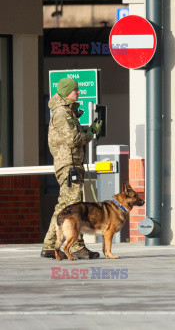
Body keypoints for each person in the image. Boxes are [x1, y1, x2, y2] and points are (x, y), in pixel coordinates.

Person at [41, 78, 102, 259]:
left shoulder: (67, 112)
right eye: (75, 90)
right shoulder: (62, 113)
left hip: (69, 164)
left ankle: (50, 245)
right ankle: (76, 246)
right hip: (69, 165)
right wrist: (90, 133)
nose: (79, 92)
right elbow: (72, 140)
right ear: (67, 92)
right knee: (74, 207)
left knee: (64, 206)